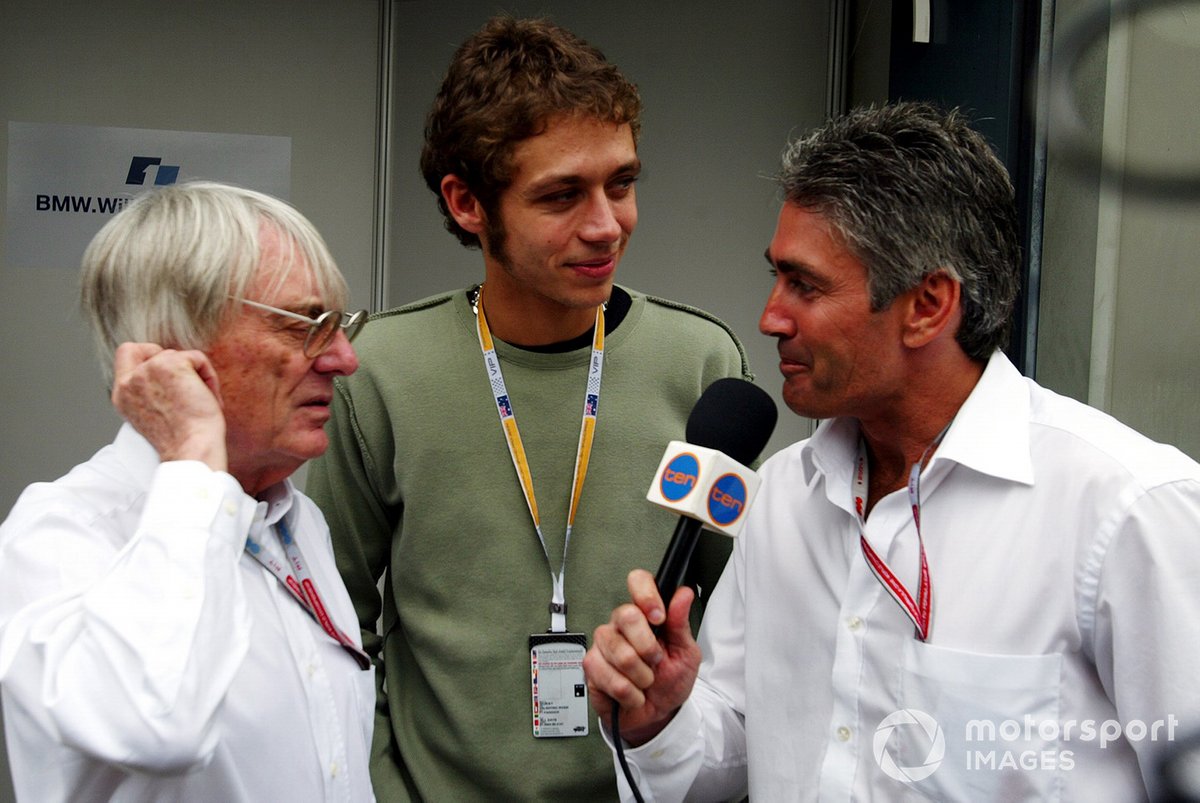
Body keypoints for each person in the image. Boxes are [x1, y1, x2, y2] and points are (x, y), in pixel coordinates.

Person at [584, 102, 1200, 802]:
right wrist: (662, 716)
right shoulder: (784, 496)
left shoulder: (1127, 510)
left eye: (805, 285)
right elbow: (734, 757)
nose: (769, 317)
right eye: (776, 277)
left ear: (929, 305)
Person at [304, 15, 751, 802]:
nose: (607, 224)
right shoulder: (379, 373)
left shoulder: (702, 362)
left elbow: (739, 631)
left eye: (622, 182)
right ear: (469, 203)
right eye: (562, 195)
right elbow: (335, 632)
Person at [0, 181, 376, 802]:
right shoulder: (58, 533)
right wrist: (196, 464)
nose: (342, 358)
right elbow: (157, 727)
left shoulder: (293, 517)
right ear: (176, 345)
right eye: (305, 324)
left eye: (338, 325)